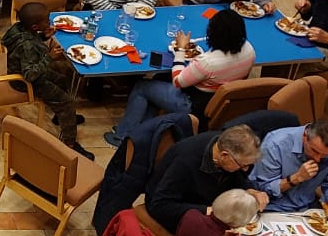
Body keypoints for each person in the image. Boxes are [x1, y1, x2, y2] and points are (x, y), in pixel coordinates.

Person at [106, 9, 255, 146]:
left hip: (192, 104)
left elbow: (178, 81)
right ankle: (143, 134)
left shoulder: (208, 61)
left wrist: (180, 49)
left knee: (142, 87)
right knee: (157, 83)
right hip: (217, 101)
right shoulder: (249, 50)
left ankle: (121, 136)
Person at [1, 2, 91, 160]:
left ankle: (61, 117)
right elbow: (30, 74)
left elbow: (31, 42)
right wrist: (50, 57)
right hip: (25, 82)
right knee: (68, 102)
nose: (49, 23)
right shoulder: (26, 46)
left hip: (28, 72)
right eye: (46, 21)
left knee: (62, 80)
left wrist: (44, 36)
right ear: (35, 26)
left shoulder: (20, 28)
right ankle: (69, 143)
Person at [144, 125, 267, 234]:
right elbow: (160, 206)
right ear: (224, 155)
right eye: (242, 165)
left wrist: (250, 190)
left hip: (207, 201)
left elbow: (237, 177)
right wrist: (208, 210)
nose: (245, 170)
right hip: (175, 208)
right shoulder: (185, 162)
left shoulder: (226, 148)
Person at [249, 120, 328, 213]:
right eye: (314, 151)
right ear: (305, 135)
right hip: (273, 207)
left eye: (324, 155)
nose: (317, 159)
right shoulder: (274, 145)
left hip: (307, 205)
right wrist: (296, 178)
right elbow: (263, 189)